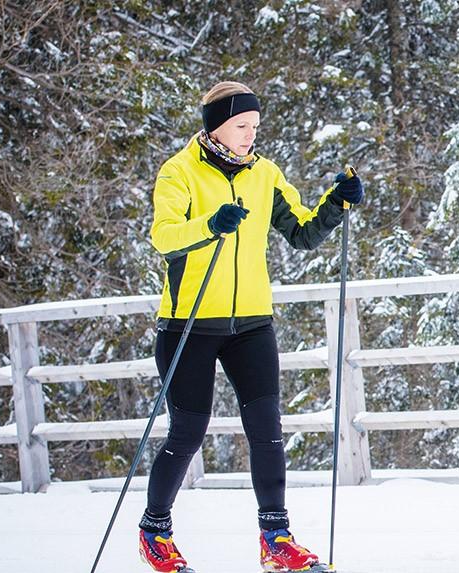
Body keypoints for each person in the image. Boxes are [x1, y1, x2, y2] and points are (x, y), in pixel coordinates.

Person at [138, 81, 363, 572]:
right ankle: (154, 531)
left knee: (267, 429)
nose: (250, 134)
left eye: (255, 126)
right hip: (189, 323)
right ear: (216, 125)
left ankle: (276, 538)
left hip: (252, 324)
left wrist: (336, 203)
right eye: (241, 125)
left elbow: (302, 232)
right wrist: (209, 225)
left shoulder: (265, 173)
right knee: (188, 431)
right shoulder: (179, 171)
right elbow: (164, 237)